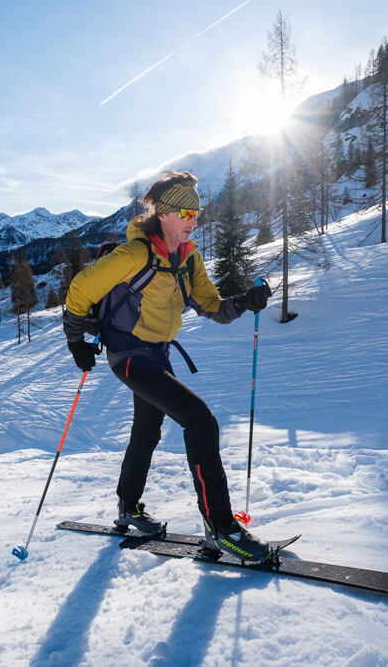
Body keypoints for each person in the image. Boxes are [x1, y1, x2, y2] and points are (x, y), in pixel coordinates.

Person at [63, 170, 273, 561]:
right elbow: (80, 289)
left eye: (198, 212)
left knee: (147, 428)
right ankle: (221, 527)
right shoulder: (134, 254)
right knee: (200, 419)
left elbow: (212, 307)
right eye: (187, 213)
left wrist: (245, 301)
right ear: (164, 213)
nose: (194, 220)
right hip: (127, 356)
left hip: (157, 355)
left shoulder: (188, 259)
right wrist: (76, 341)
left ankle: (128, 508)